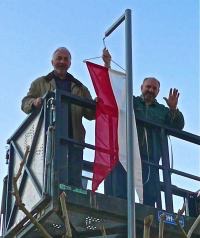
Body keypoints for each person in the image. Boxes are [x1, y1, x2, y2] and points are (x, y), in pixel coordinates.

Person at [102, 50, 185, 206]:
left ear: (158, 91)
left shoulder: (162, 110)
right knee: (120, 190)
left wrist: (173, 109)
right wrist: (108, 65)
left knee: (150, 195)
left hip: (150, 157)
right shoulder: (131, 101)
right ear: (142, 87)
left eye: (154, 88)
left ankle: (147, 215)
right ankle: (121, 209)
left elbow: (178, 126)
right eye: (148, 87)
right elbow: (113, 93)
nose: (151, 90)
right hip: (128, 152)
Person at [21, 47, 96, 188]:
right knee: (50, 174)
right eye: (59, 58)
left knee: (74, 177)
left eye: (65, 59)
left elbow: (90, 114)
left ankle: (74, 196)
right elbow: (25, 103)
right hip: (49, 136)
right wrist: (34, 102)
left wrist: (97, 105)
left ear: (70, 63)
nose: (62, 61)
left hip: (74, 138)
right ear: (52, 62)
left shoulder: (80, 88)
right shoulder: (40, 83)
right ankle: (52, 192)